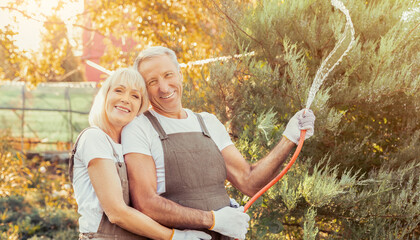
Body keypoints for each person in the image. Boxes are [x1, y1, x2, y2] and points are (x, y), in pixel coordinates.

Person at [122, 47, 315, 239]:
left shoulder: (208, 123)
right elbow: (145, 202)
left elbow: (248, 182)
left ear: (180, 75)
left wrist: (289, 138)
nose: (164, 87)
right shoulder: (139, 128)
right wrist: (213, 220)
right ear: (144, 89)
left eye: (168, 75)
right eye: (152, 81)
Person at [69, 68, 212, 240]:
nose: (125, 99)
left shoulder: (133, 148)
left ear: (140, 108)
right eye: (119, 90)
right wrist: (176, 236)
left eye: (135, 96)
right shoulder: (94, 138)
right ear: (105, 96)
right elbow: (116, 212)